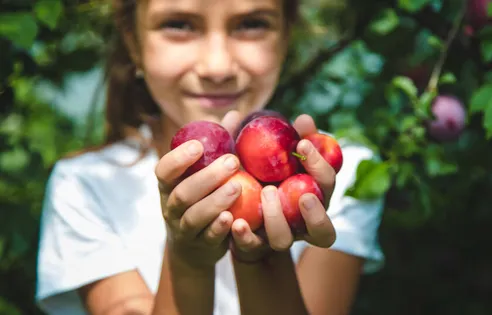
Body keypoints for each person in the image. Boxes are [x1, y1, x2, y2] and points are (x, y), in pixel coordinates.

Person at [34, 0, 385, 314]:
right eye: (179, 24)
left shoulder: (345, 176)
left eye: (252, 24)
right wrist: (188, 261)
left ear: (285, 37)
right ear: (133, 42)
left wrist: (260, 256)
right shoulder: (86, 185)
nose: (217, 66)